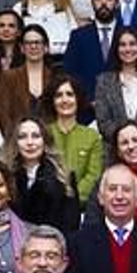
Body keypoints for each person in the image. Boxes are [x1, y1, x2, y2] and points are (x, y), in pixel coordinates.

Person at [5, 116, 80, 233]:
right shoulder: (5, 177)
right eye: (22, 137)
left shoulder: (65, 176)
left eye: (36, 136)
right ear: (15, 143)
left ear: (45, 141)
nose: (30, 143)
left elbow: (71, 224)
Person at [94, 27, 137, 145]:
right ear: (116, 49)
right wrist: (124, 139)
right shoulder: (103, 81)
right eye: (122, 45)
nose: (128, 49)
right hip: (114, 150)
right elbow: (103, 122)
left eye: (132, 44)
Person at [44, 74, 102, 205]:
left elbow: (94, 176)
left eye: (70, 94)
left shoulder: (91, 136)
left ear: (78, 99)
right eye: (58, 95)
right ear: (52, 101)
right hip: (47, 206)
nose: (64, 100)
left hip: (81, 208)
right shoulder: (43, 134)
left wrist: (71, 197)